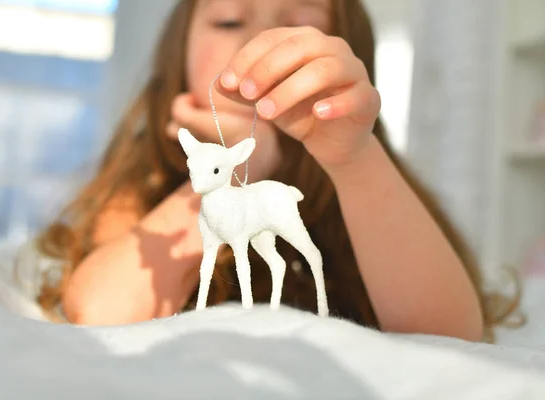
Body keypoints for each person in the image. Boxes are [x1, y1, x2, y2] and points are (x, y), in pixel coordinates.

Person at [33, 0, 522, 342]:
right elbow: (101, 313)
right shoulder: (149, 180)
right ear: (174, 55)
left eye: (302, 25)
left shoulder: (371, 174)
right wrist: (237, 165)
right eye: (227, 20)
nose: (260, 41)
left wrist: (354, 158)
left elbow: (452, 339)